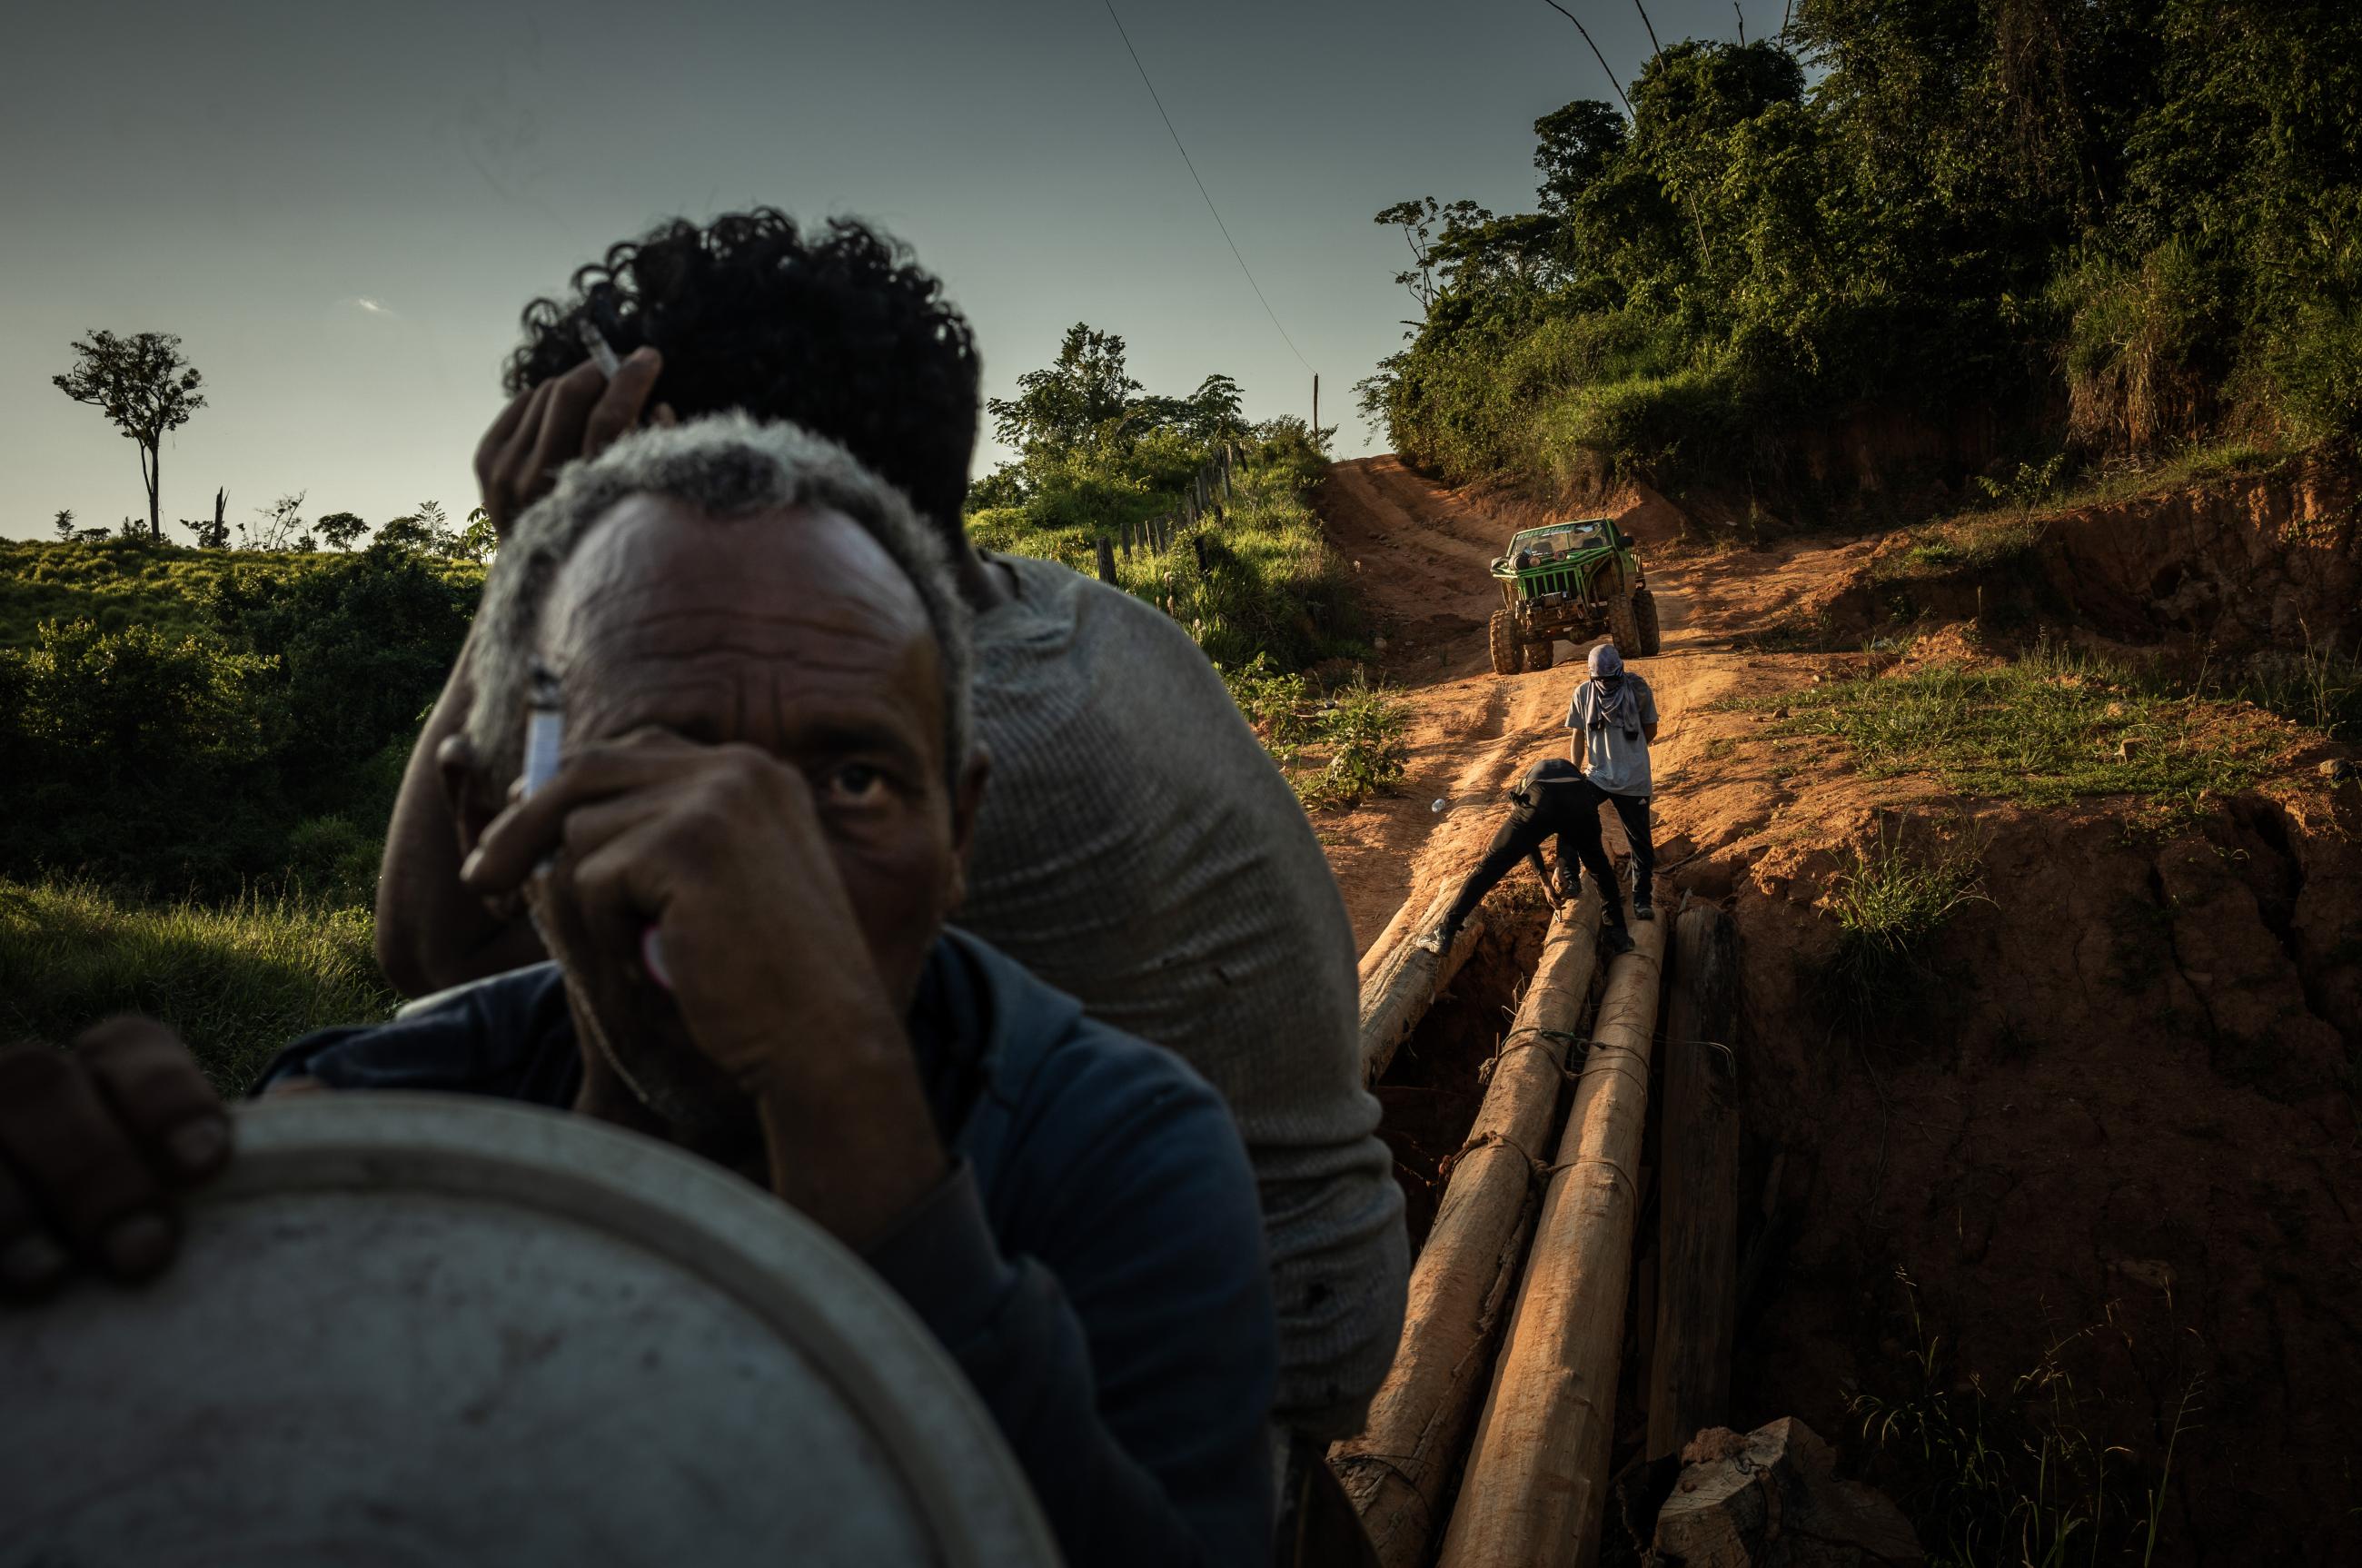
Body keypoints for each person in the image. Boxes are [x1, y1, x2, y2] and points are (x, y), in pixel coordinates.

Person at [0, 417, 1279, 1568]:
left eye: (851, 782)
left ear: (959, 830)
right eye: (656, 764)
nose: (748, 860)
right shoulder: (370, 1137)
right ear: (488, 816)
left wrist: (837, 1077)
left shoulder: (1115, 1153)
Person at [372, 211, 1404, 1449]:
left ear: (752, 490)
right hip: (1292, 1251)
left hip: (1229, 1331)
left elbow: (447, 943)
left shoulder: (928, 754)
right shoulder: (1049, 615)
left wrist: (541, 566)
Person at [1415, 757, 1633, 958]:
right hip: (1579, 801)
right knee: (1599, 868)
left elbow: (1529, 841)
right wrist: (1558, 870)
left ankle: (1445, 932)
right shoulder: (1575, 782)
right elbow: (1569, 832)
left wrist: (1544, 880)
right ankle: (1619, 936)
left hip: (1540, 797)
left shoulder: (1526, 789)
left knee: (1490, 866)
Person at [1566, 640, 1660, 920]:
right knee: (1570, 816)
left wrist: (1630, 755)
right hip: (1597, 776)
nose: (1607, 684)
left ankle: (1642, 900)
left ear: (1621, 670)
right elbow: (1578, 736)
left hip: (1634, 780)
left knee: (1640, 843)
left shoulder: (1638, 689)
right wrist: (1575, 774)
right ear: (1591, 675)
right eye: (1601, 679)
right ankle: (1570, 877)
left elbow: (1650, 730)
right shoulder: (1583, 694)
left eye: (1611, 678)